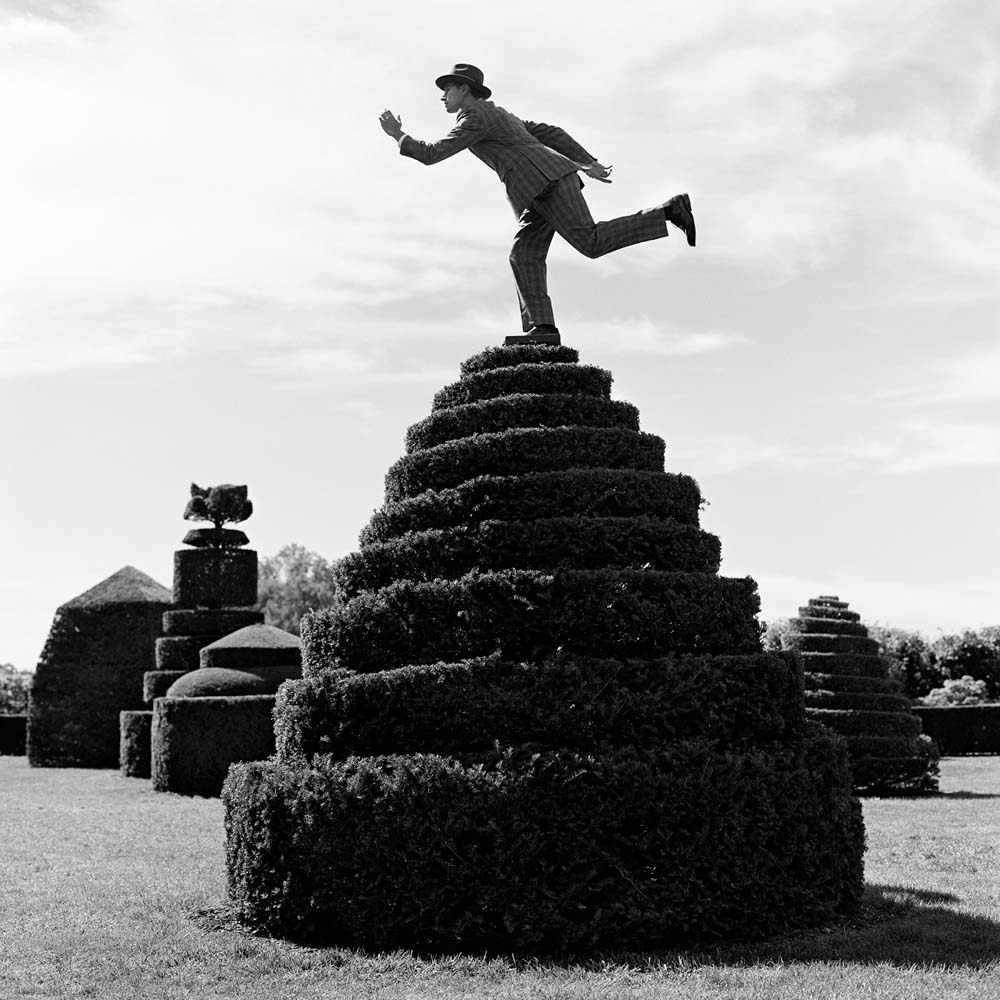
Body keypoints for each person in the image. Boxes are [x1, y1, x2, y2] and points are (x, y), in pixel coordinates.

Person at [378, 63, 695, 345]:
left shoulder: (474, 116)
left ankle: (668, 211)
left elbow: (433, 153)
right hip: (539, 189)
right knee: (523, 254)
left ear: (464, 90)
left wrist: (398, 135)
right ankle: (542, 328)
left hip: (548, 183)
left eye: (447, 89)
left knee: (591, 242)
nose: (442, 96)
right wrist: (587, 162)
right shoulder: (501, 115)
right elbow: (550, 133)